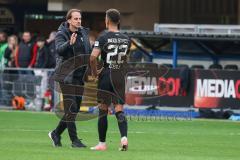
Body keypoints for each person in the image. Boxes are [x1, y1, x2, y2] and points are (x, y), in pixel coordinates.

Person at [49, 9, 91, 148]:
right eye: (75, 19)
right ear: (68, 20)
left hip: (80, 76)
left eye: (80, 18)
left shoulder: (84, 32)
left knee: (75, 109)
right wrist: (69, 44)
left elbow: (88, 52)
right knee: (71, 108)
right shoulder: (62, 34)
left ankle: (56, 133)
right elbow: (59, 50)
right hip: (66, 76)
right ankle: (75, 141)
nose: (78, 21)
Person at [90, 9, 131, 151]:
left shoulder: (102, 37)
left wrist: (95, 73)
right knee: (119, 109)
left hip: (106, 75)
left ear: (106, 20)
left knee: (103, 110)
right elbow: (125, 58)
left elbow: (93, 57)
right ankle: (124, 138)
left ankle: (102, 144)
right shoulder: (127, 38)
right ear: (119, 21)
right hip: (119, 75)